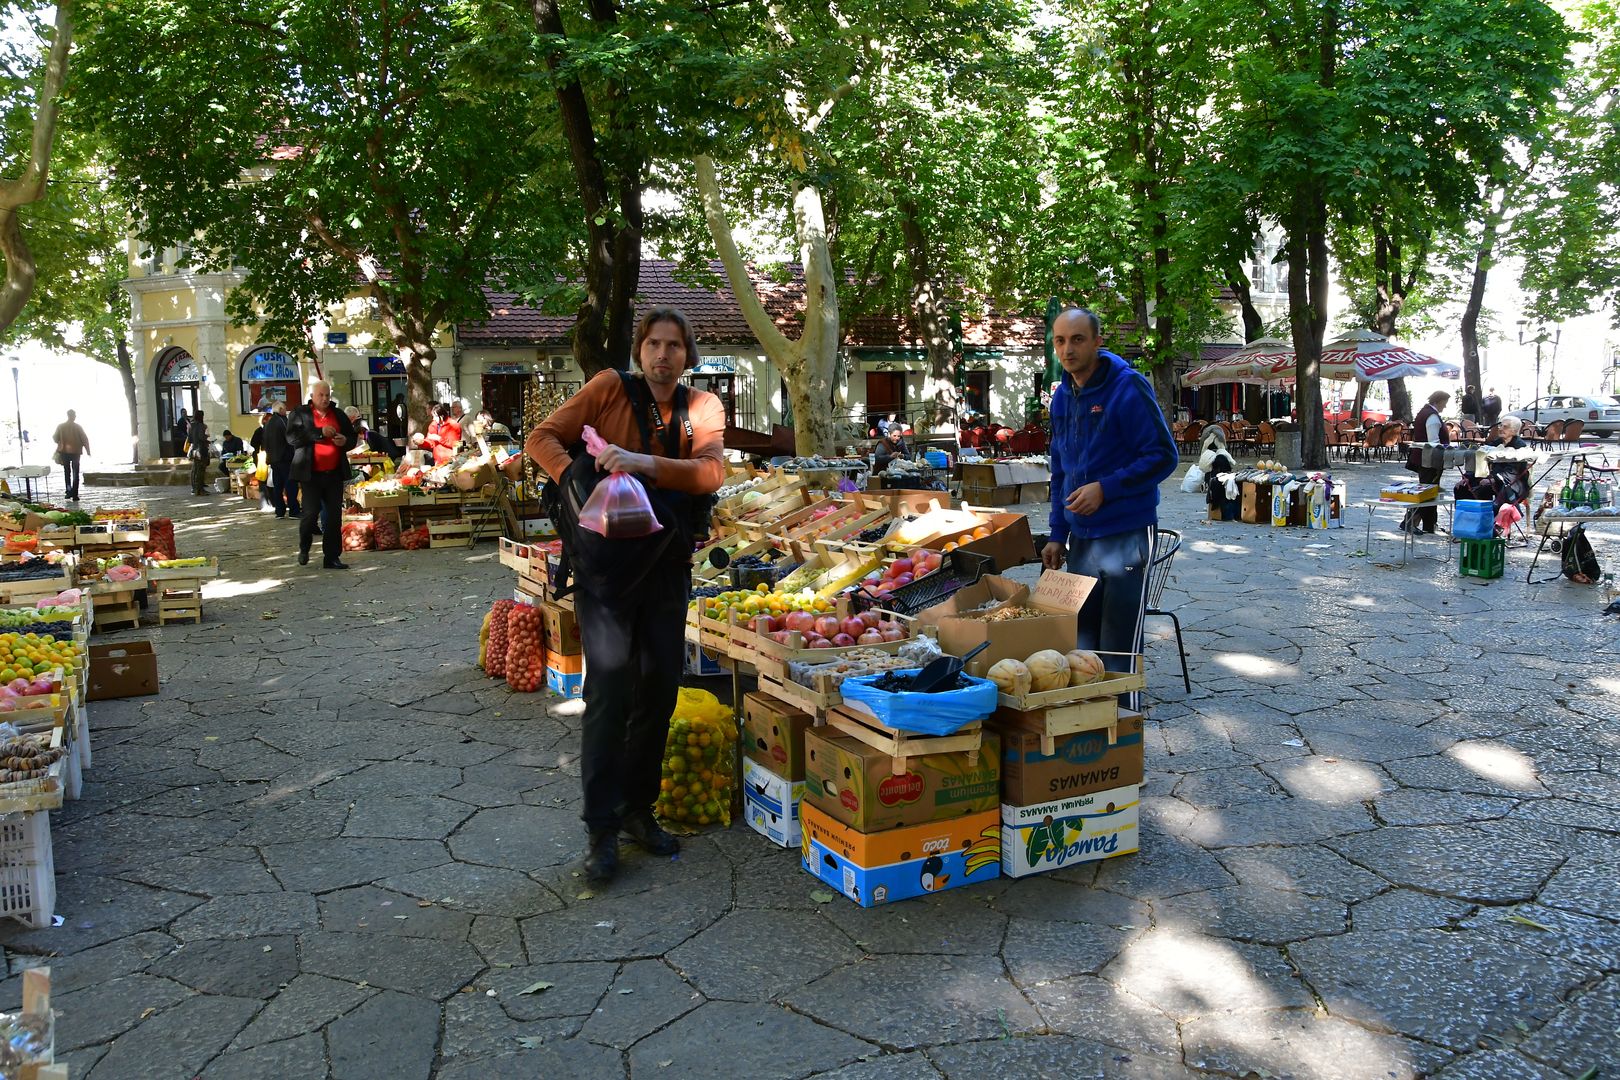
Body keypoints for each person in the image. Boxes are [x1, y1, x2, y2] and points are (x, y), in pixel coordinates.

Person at [519, 306, 726, 885]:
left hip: (666, 568)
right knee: (609, 693)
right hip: (606, 572)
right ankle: (601, 828)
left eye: (675, 346)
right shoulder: (608, 388)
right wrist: (574, 479)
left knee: (659, 692)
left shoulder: (702, 407)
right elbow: (542, 437)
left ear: (689, 355)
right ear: (640, 350)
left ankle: (638, 810)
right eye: (654, 344)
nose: (663, 355)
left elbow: (712, 473)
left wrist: (640, 463)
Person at [1040, 308, 1177, 710]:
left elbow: (1163, 456)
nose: (1068, 349)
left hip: (1126, 532)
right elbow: (1060, 468)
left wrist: (1107, 489)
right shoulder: (1063, 395)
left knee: (1118, 638)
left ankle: (1124, 719)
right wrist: (1055, 533)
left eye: (1078, 339)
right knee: (1081, 637)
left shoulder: (1128, 387)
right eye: (1060, 340)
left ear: (1098, 341)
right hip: (1080, 536)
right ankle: (1089, 718)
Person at [286, 381, 356, 569]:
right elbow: (292, 438)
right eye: (321, 395)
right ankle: (304, 547)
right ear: (312, 395)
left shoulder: (338, 414)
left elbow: (352, 438)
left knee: (333, 518)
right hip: (310, 475)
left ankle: (332, 557)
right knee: (310, 514)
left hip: (333, 474)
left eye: (327, 395)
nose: (325, 399)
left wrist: (345, 441)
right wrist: (319, 433)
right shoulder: (300, 413)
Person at [1404, 390, 1451, 534]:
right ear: (1438, 401)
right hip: (1430, 459)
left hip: (1425, 459)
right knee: (1427, 492)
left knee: (1430, 492)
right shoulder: (1432, 416)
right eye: (1444, 403)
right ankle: (1410, 522)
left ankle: (1429, 525)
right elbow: (1433, 442)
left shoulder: (1424, 412)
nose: (1445, 406)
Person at [52, 410, 89, 502]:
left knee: (67, 472)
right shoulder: (78, 427)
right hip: (76, 452)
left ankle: (69, 491)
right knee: (75, 473)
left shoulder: (61, 426)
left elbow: (55, 437)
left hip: (64, 452)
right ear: (74, 416)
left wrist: (60, 442)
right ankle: (75, 495)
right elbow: (84, 438)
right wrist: (88, 450)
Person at [186, 411, 213, 495]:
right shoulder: (202, 426)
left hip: (193, 449)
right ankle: (200, 489)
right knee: (201, 470)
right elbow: (202, 437)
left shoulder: (190, 426)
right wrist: (206, 439)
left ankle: (194, 488)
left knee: (194, 470)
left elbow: (189, 439)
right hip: (201, 450)